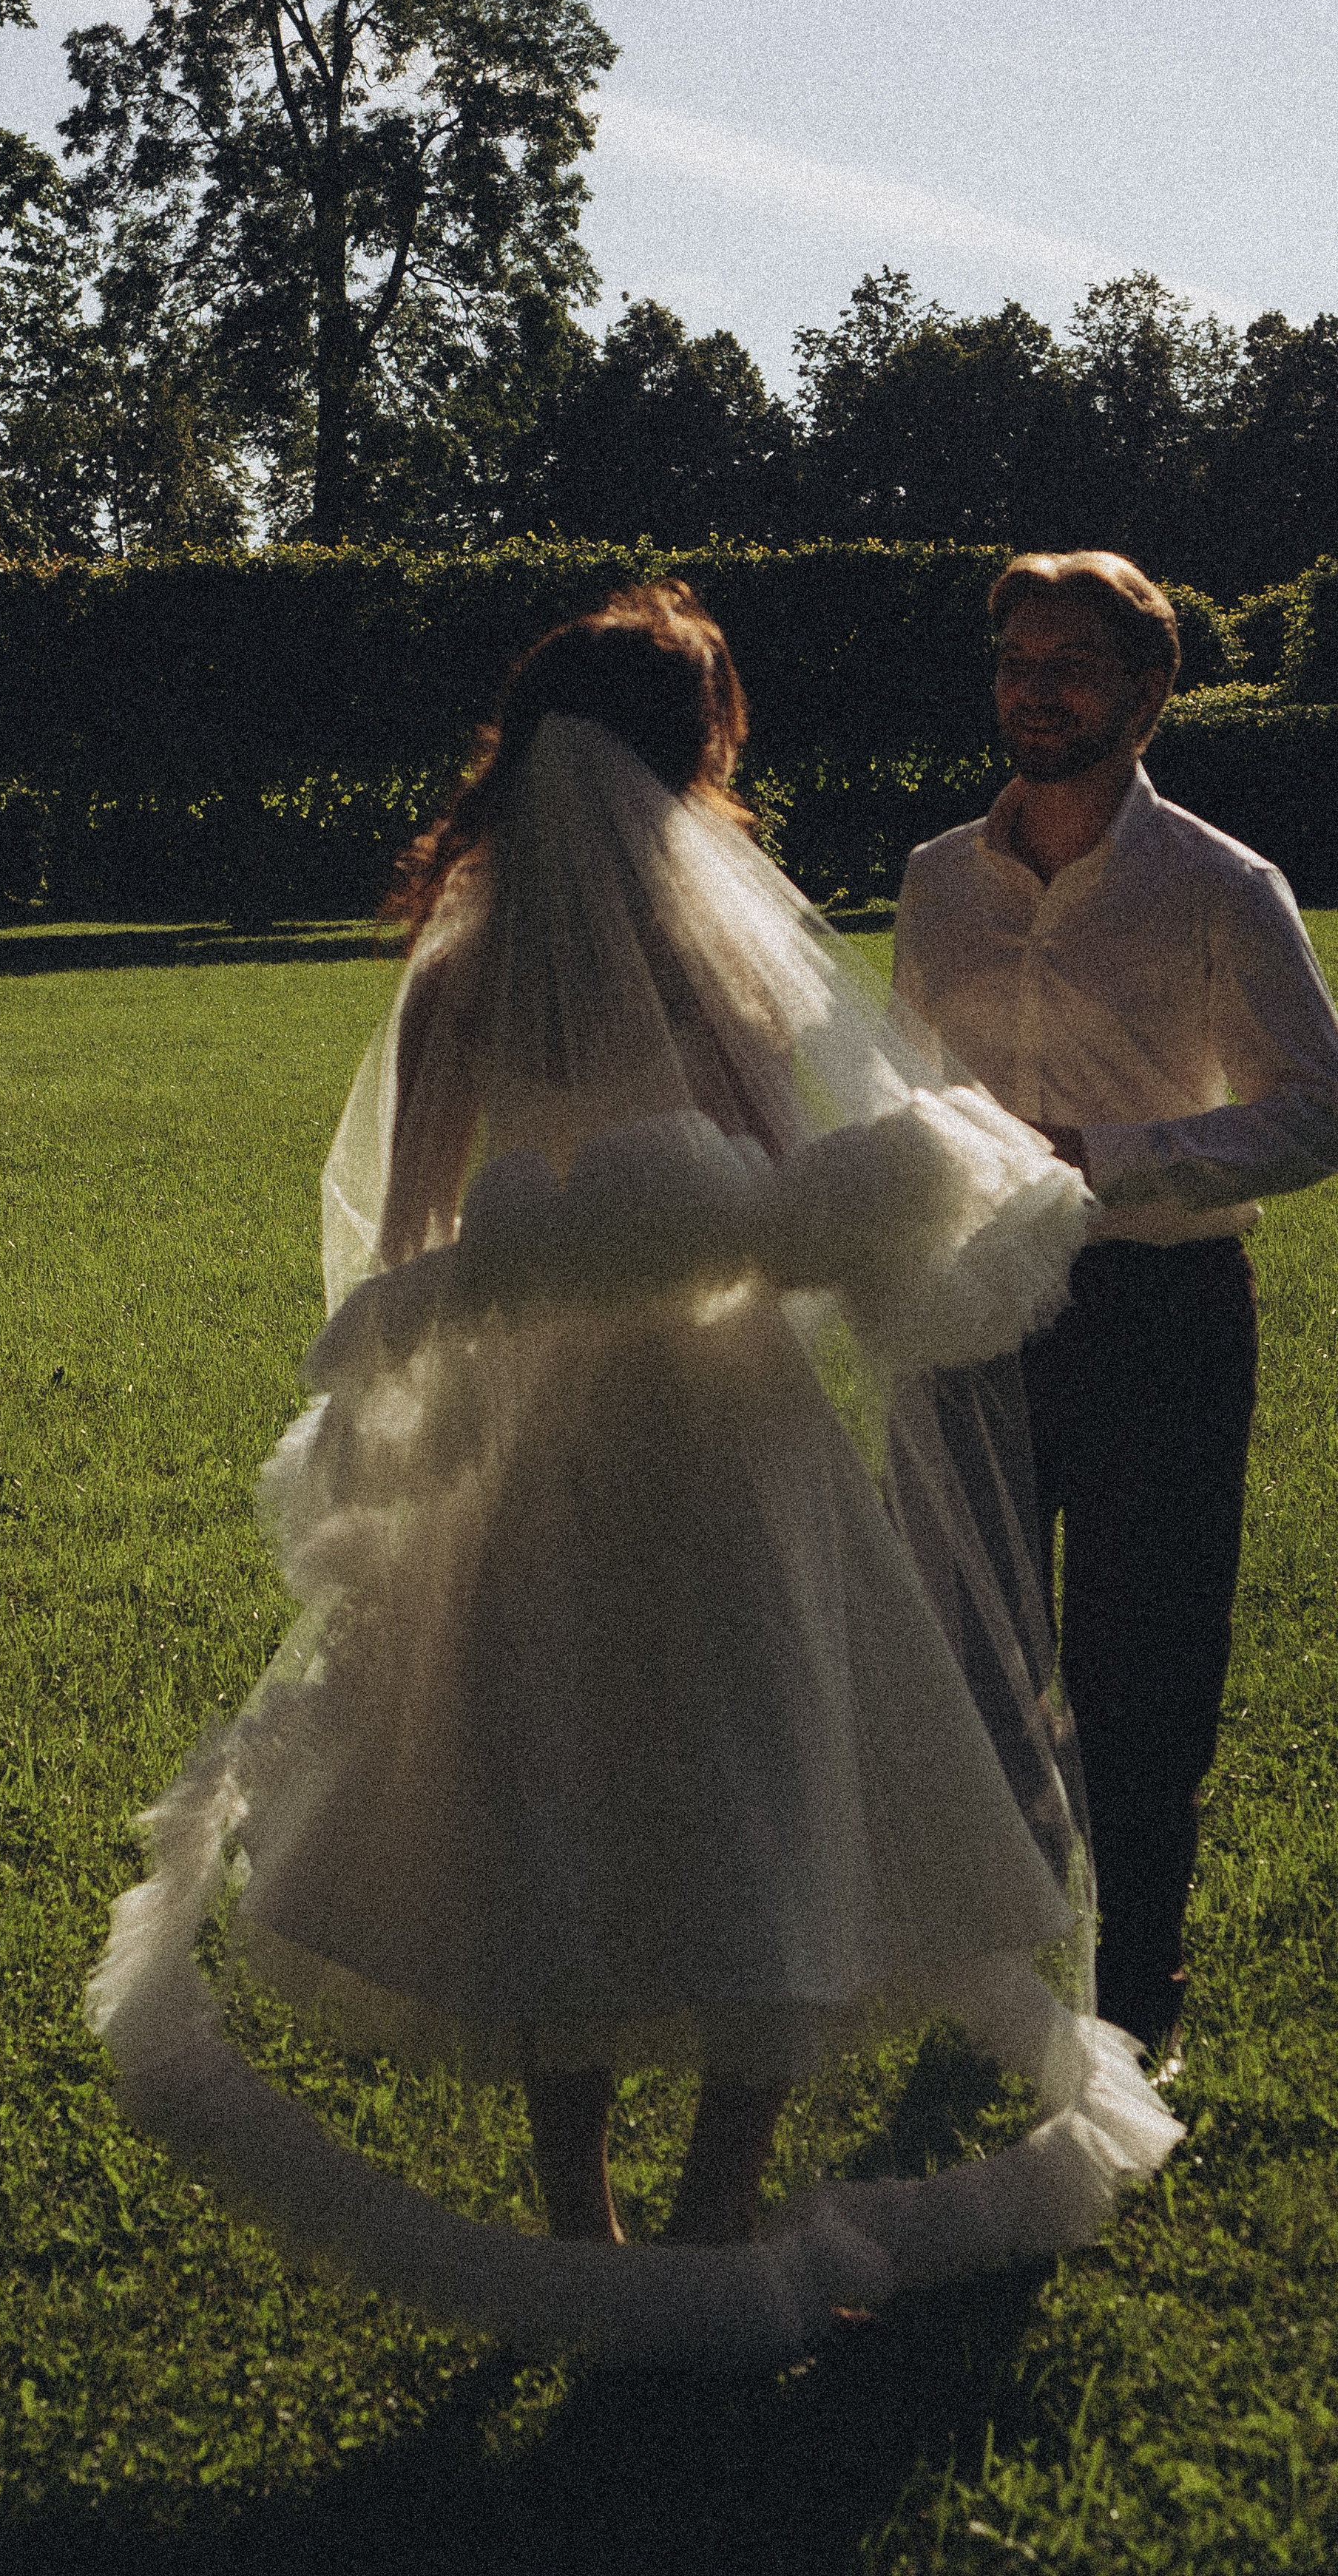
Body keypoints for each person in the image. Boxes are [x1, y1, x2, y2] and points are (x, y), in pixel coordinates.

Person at [88, 583, 1179, 2367]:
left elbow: (413, 1231)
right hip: (727, 1424)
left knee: (555, 1786)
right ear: (695, 760)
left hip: (541, 1433)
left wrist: (469, 1333)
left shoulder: (461, 967)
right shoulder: (723, 964)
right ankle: (713, 2212)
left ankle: (575, 2221)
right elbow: (801, 1190)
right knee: (763, 1772)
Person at [895, 552, 1338, 2070]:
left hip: (1155, 1309)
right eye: (1014, 655)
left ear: (1148, 694)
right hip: (965, 1309)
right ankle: (997, 1981)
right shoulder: (933, 878)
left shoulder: (1220, 885)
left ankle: (1131, 2004)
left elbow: (1314, 1113)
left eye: (1070, 660)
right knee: (965, 1656)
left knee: (1141, 1671)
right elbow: (905, 1087)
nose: (1033, 683)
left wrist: (1108, 1165)